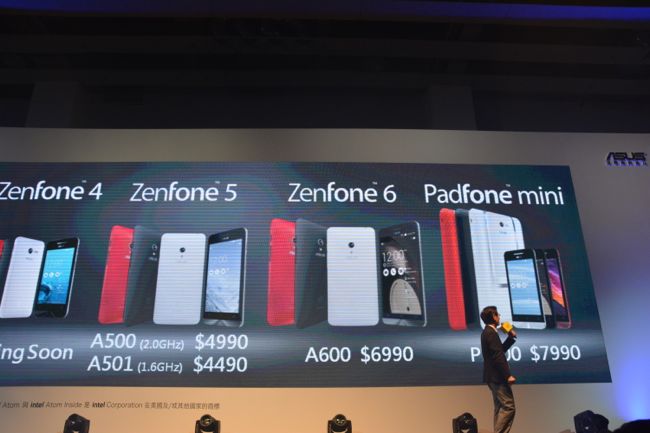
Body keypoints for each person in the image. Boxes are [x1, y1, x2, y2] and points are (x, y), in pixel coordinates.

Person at [480, 306, 517, 433]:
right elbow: (497, 356)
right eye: (497, 314)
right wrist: (508, 375)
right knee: (508, 407)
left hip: (493, 376)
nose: (499, 316)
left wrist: (510, 337)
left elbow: (499, 350)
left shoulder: (489, 332)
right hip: (497, 376)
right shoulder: (490, 332)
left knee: (500, 407)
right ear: (493, 317)